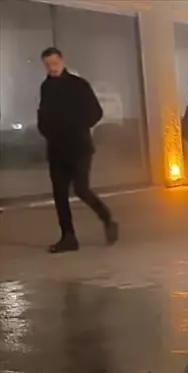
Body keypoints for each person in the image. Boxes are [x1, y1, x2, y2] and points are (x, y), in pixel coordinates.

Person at [36, 47, 118, 253]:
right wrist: (44, 128)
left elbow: (96, 112)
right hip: (56, 148)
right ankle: (68, 237)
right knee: (60, 194)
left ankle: (107, 218)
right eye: (48, 64)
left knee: (81, 189)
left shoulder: (78, 85)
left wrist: (77, 127)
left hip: (79, 147)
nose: (52, 68)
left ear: (62, 61)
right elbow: (43, 113)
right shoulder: (46, 87)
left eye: (55, 63)